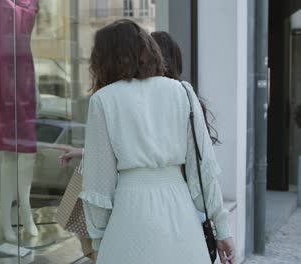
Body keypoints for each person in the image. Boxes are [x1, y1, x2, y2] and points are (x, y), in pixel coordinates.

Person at [77, 20, 235, 263]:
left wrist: (98, 240)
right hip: (180, 212)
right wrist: (222, 228)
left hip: (129, 215)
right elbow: (203, 170)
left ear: (104, 58)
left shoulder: (103, 100)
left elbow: (99, 182)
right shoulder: (182, 91)